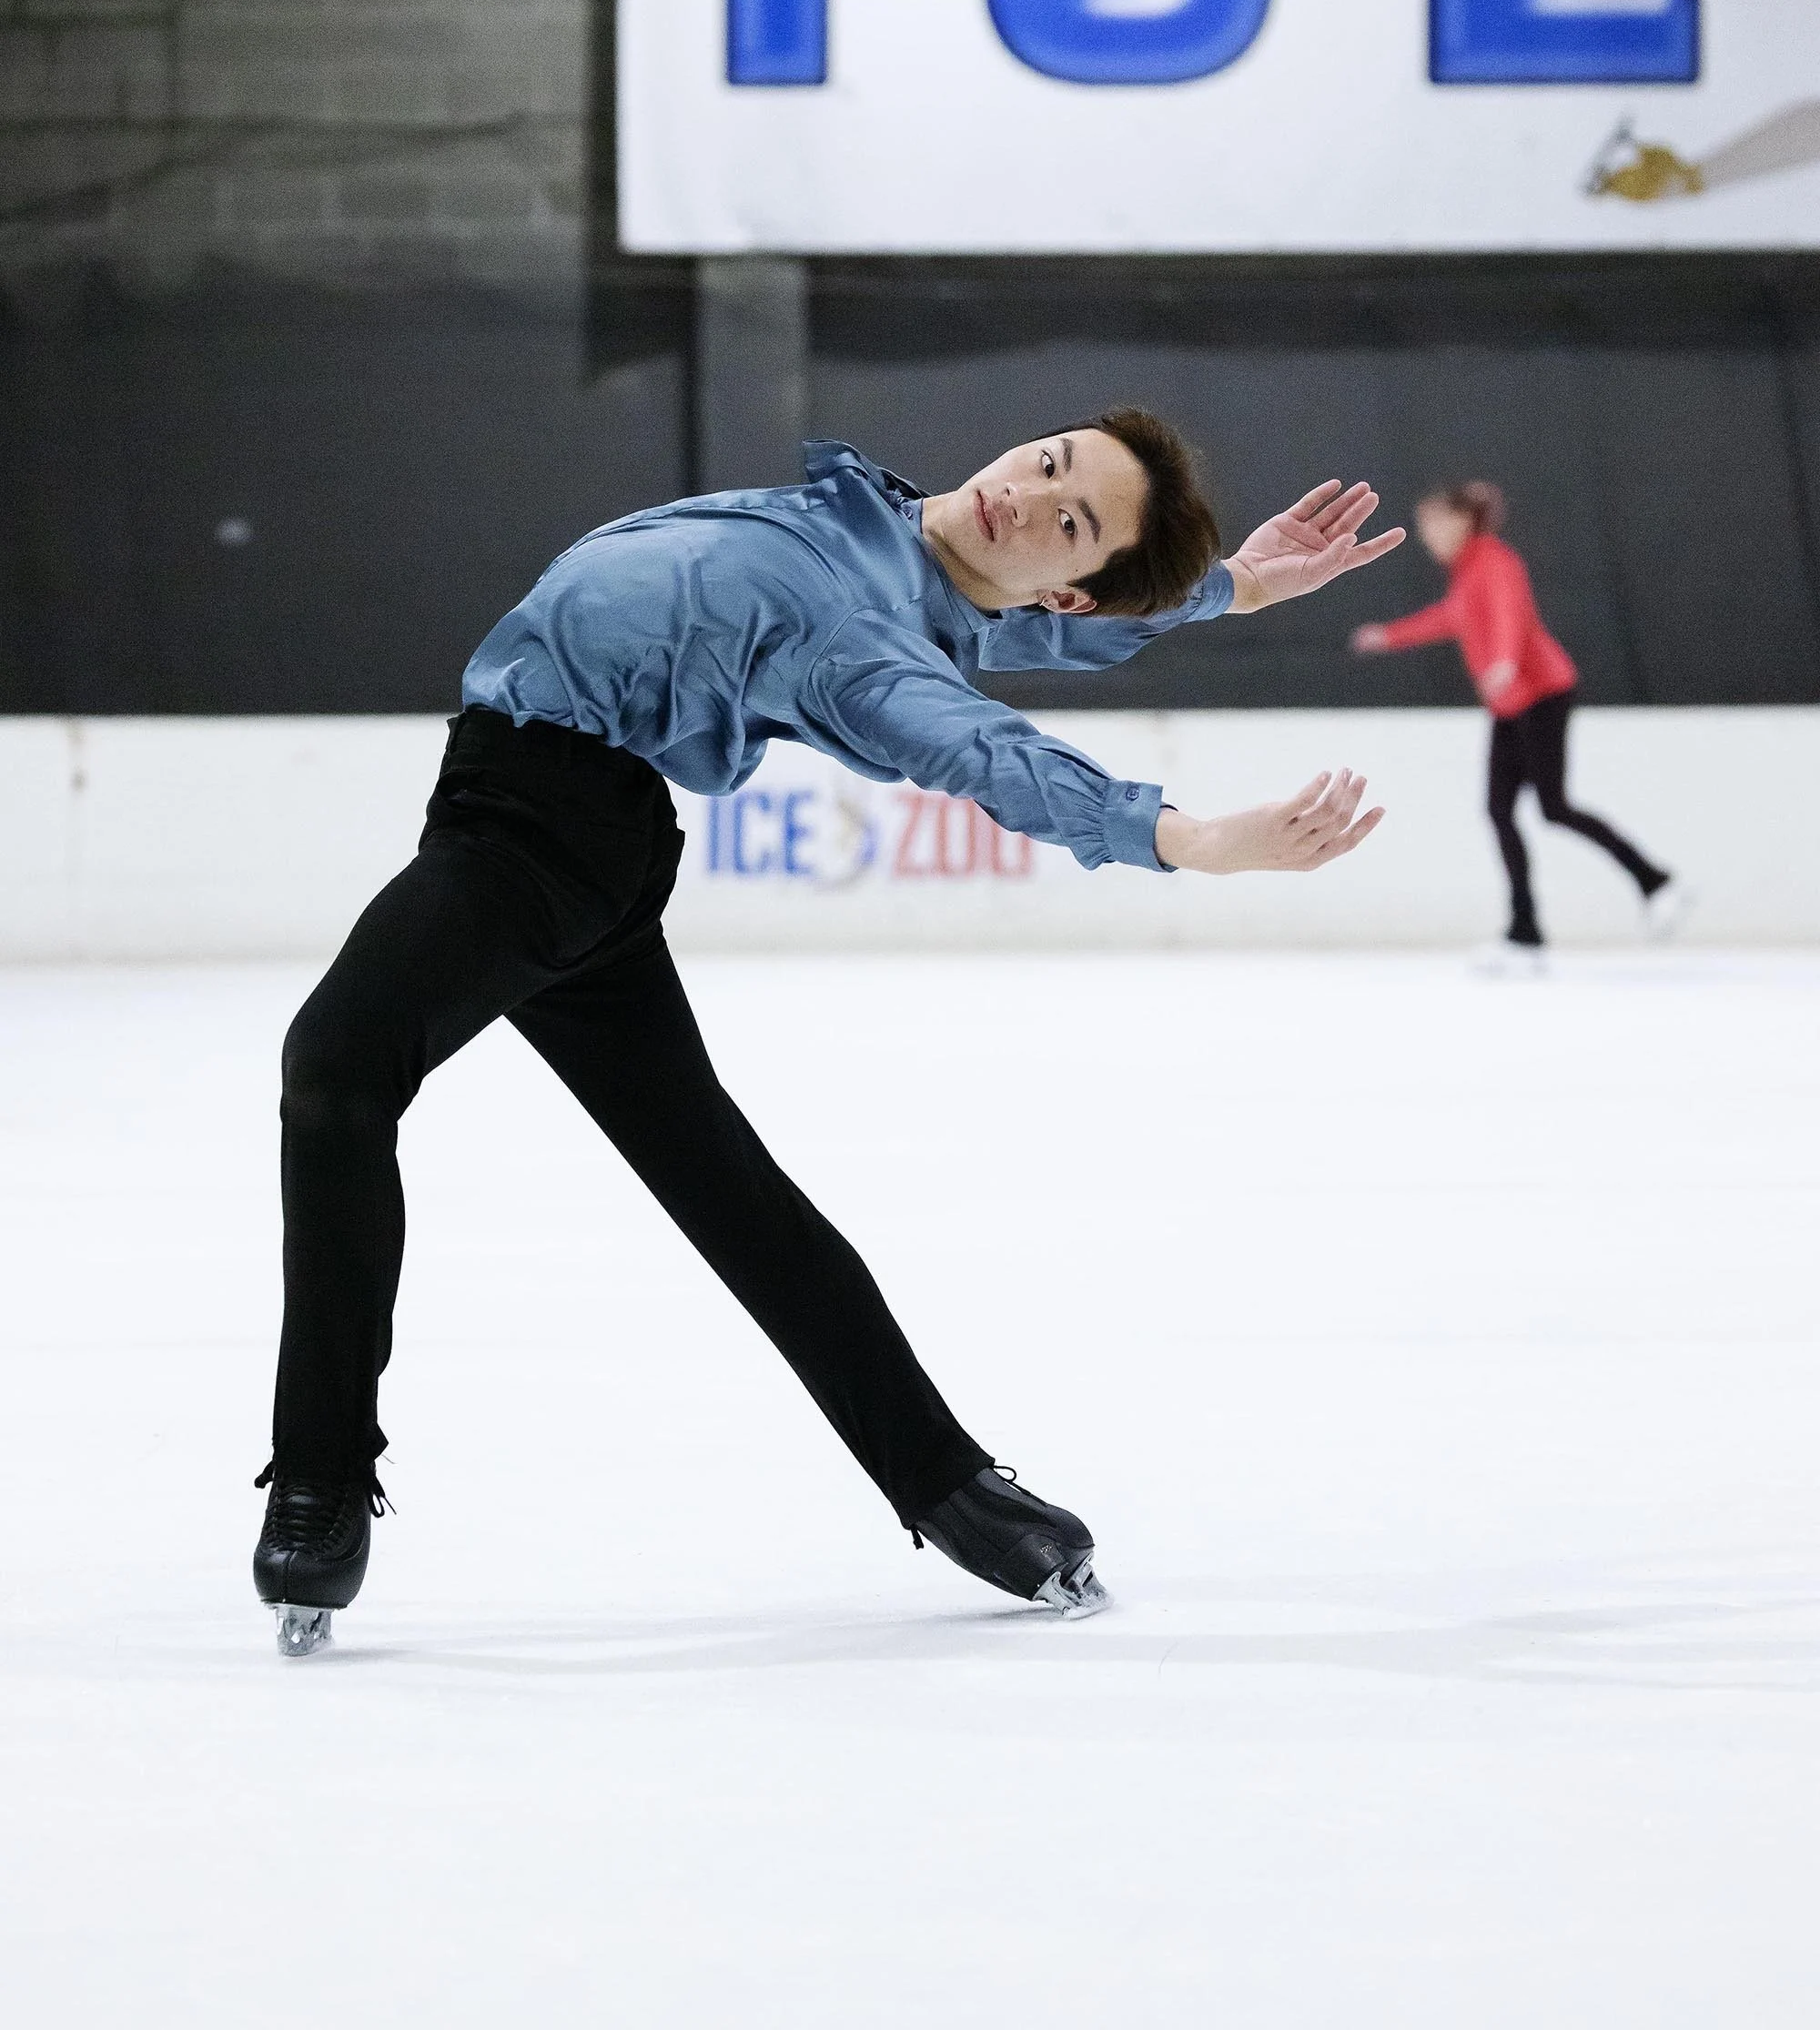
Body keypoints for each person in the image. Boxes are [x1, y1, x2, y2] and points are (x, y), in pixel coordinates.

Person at [255, 412, 1403, 1653]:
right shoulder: (902, 542)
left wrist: (1190, 839)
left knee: (336, 1070)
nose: (1027, 492)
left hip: (538, 842)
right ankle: (952, 1490)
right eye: (1049, 461)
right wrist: (1232, 587)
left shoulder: (872, 650)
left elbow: (989, 751)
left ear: (1068, 579)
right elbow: (1033, 620)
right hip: (563, 823)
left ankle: (320, 1484)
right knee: (728, 1191)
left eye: (1068, 521)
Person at [1350, 480, 1684, 968]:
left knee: (1553, 808)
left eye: (1433, 522)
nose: (1427, 534)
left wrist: (1505, 661)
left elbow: (1512, 614)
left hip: (1542, 694)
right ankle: (1526, 932)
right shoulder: (1466, 572)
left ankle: (1656, 882)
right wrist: (1389, 636)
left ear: (1462, 521)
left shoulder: (1496, 561)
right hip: (1509, 705)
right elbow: (1450, 618)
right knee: (1501, 811)